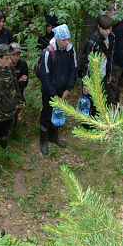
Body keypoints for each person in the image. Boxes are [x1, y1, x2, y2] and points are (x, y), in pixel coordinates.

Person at [38, 25, 78, 155]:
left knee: (59, 112)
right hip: (50, 90)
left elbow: (74, 69)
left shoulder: (70, 50)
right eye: (64, 39)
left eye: (68, 39)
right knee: (47, 113)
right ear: (58, 39)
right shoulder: (48, 52)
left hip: (63, 89)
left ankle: (53, 136)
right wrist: (53, 93)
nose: (67, 42)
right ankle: (43, 140)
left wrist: (68, 88)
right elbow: (45, 75)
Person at [79, 15, 114, 118]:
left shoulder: (112, 37)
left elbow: (111, 56)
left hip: (103, 74)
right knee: (89, 101)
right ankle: (86, 124)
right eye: (105, 29)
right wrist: (86, 83)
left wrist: (109, 73)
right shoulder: (92, 41)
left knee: (100, 101)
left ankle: (97, 121)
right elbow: (86, 63)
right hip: (92, 77)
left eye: (109, 28)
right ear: (99, 27)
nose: (107, 31)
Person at [9, 43, 29, 134]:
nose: (16, 57)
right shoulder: (5, 64)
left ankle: (13, 130)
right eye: (13, 55)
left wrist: (16, 83)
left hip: (18, 94)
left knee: (16, 112)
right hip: (6, 95)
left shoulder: (23, 64)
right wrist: (18, 81)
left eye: (18, 55)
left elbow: (24, 83)